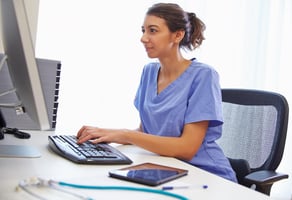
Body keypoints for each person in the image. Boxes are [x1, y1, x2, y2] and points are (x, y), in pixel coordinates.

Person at [77, 3, 237, 183]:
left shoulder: (203, 76)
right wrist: (108, 135)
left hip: (206, 175)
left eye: (152, 31)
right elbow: (146, 130)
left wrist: (125, 134)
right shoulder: (149, 72)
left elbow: (187, 148)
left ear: (177, 35)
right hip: (165, 168)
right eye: (143, 30)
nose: (143, 38)